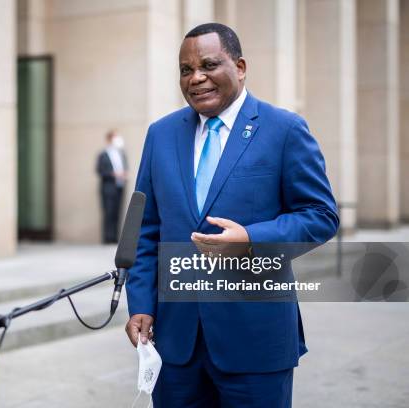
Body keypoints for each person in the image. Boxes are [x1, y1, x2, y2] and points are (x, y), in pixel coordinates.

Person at [125, 23, 339, 407]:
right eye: (186, 70)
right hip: (176, 345)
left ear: (239, 67)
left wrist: (252, 239)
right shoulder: (160, 134)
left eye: (209, 64)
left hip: (254, 342)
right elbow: (145, 230)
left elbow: (321, 215)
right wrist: (140, 303)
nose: (197, 78)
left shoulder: (284, 129)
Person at [96, 130, 128, 243]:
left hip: (120, 187)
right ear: (109, 139)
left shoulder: (121, 153)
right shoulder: (103, 154)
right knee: (108, 212)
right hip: (108, 188)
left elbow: (125, 167)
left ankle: (115, 238)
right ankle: (107, 238)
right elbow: (99, 170)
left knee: (117, 213)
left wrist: (124, 174)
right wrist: (113, 174)